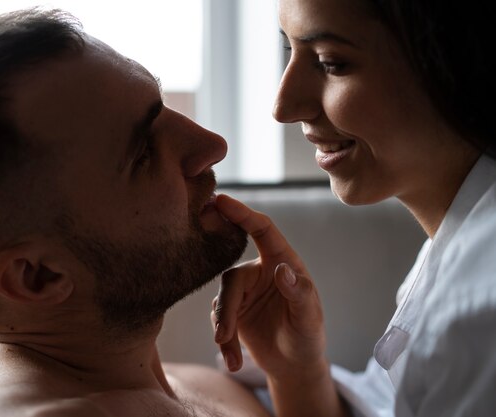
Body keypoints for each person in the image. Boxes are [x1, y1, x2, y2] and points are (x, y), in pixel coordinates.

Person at [0, 8, 275, 417]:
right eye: (142, 154)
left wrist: (298, 375)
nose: (212, 145)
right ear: (38, 276)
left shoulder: (180, 384)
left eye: (162, 106)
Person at [211, 0, 496, 416]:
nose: (283, 107)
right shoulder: (458, 242)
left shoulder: (479, 310)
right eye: (291, 52)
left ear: (459, 63)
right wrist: (298, 373)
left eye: (331, 63)